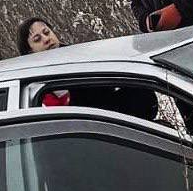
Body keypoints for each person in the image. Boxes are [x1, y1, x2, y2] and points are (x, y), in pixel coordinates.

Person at [13, 16, 157, 119]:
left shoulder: (82, 59)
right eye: (37, 39)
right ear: (29, 52)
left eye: (46, 32)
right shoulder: (31, 86)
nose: (46, 39)